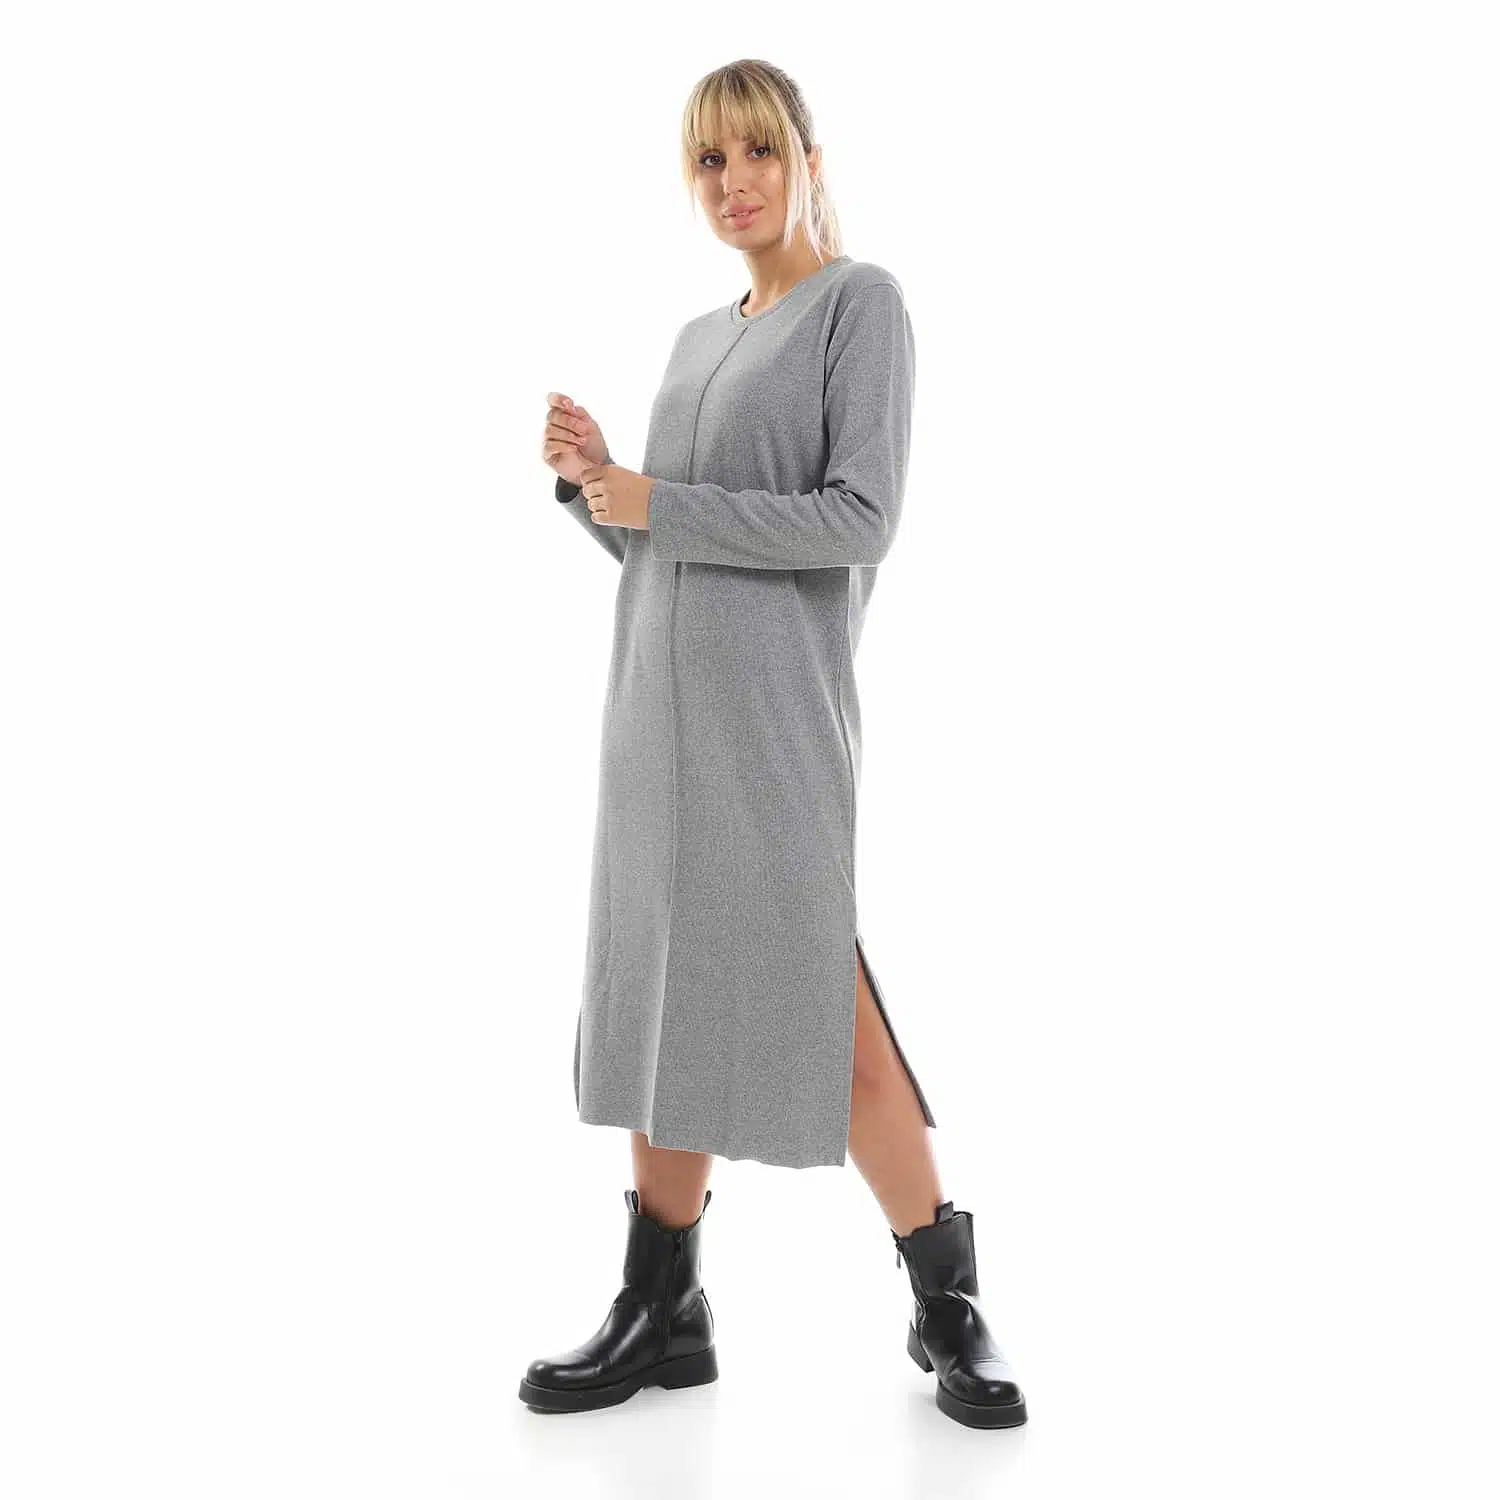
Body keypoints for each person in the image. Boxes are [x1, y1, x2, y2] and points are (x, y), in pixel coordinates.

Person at [522, 59, 1027, 1430]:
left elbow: (859, 519)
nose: (734, 181)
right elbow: (672, 543)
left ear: (807, 157)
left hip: (775, 725)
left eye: (757, 151)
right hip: (654, 717)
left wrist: (656, 497)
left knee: (823, 1003)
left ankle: (948, 1303)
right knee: (662, 995)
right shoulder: (698, 337)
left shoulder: (862, 307)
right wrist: (595, 489)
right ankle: (662, 1306)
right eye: (709, 160)